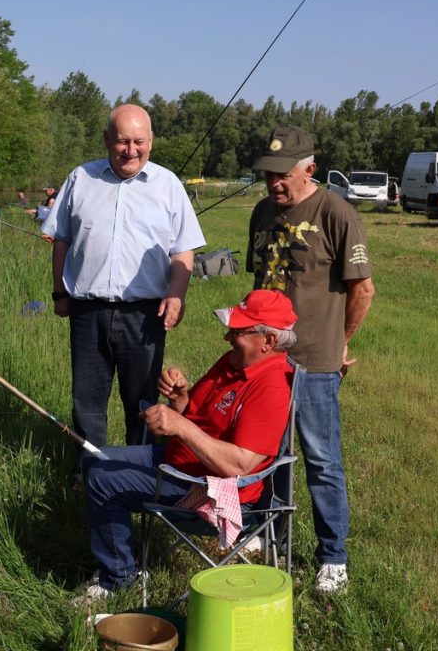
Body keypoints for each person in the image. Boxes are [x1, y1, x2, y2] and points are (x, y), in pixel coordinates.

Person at [78, 290, 298, 600]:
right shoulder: (235, 362)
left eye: (238, 331)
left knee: (104, 480)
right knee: (94, 459)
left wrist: (180, 427)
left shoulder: (270, 387)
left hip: (208, 488)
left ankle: (117, 580)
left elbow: (239, 465)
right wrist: (180, 398)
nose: (227, 337)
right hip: (181, 463)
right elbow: (197, 417)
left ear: (268, 341)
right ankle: (123, 564)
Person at [247, 125, 375, 594]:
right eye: (268, 174)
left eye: (283, 174)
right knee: (266, 455)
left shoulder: (336, 212)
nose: (274, 182)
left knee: (321, 460)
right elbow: (259, 283)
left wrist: (340, 342)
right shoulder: (262, 212)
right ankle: (267, 534)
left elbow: (363, 289)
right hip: (265, 360)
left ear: (309, 169)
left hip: (315, 363)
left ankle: (332, 557)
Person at [42, 104, 205, 451]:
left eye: (139, 142)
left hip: (145, 315)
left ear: (151, 141)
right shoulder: (81, 178)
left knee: (143, 402)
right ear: (106, 139)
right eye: (122, 141)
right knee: (86, 401)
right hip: (88, 311)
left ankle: (140, 468)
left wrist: (176, 294)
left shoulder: (168, 185)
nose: (131, 150)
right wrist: (59, 293)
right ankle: (90, 469)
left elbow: (183, 249)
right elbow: (62, 239)